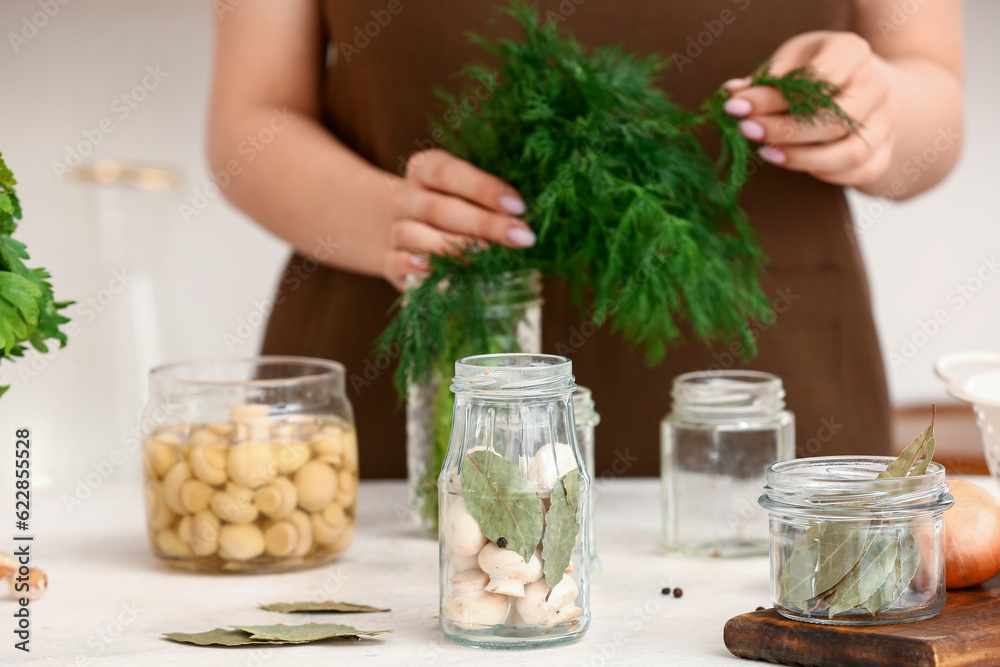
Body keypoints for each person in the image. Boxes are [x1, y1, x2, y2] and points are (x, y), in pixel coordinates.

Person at [207, 0, 962, 478]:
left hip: (759, 403)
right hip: (412, 385)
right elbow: (252, 112)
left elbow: (937, 96)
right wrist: (379, 216)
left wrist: (883, 113)